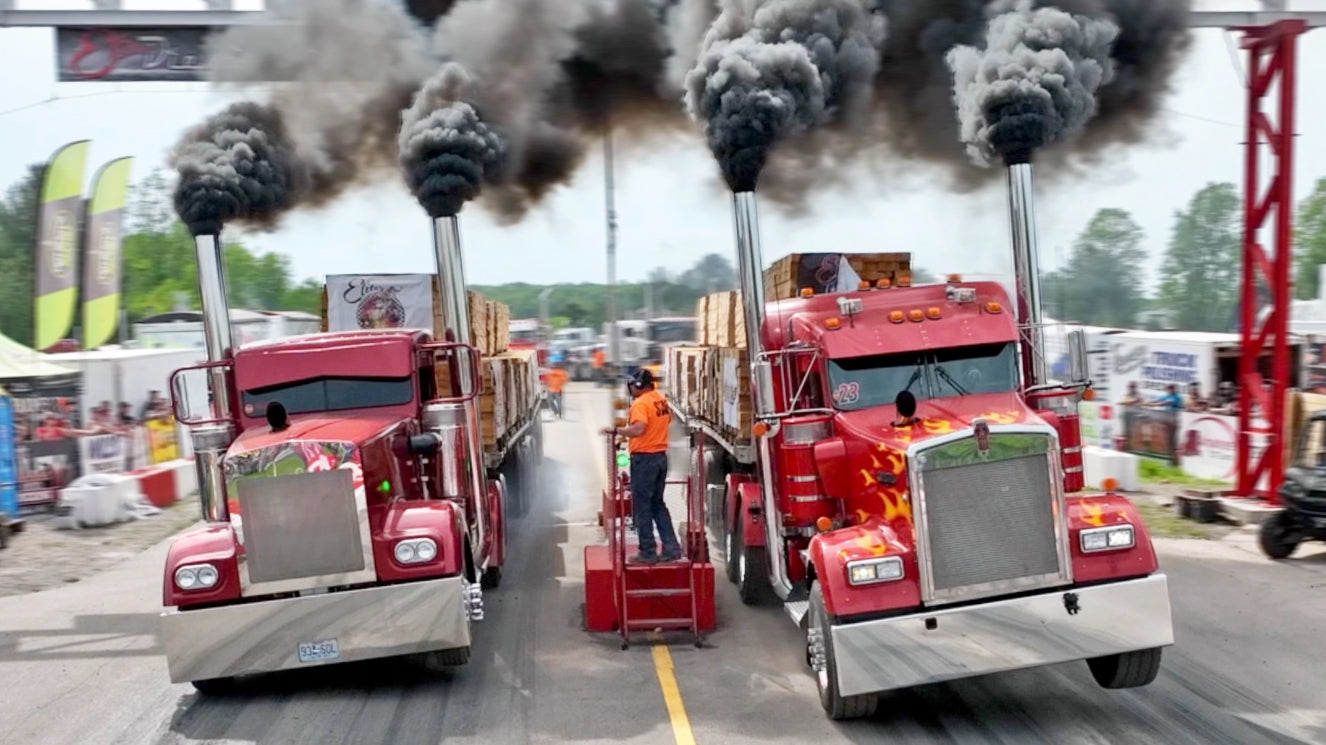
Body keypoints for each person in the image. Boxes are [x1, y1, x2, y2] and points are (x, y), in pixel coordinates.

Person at [602, 369, 682, 564]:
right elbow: (662, 423)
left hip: (645, 459)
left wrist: (616, 430)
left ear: (638, 384)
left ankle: (647, 552)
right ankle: (671, 548)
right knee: (658, 504)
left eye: (631, 383)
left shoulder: (641, 403)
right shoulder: (660, 400)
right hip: (661, 457)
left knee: (642, 507)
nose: (629, 387)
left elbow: (639, 429)